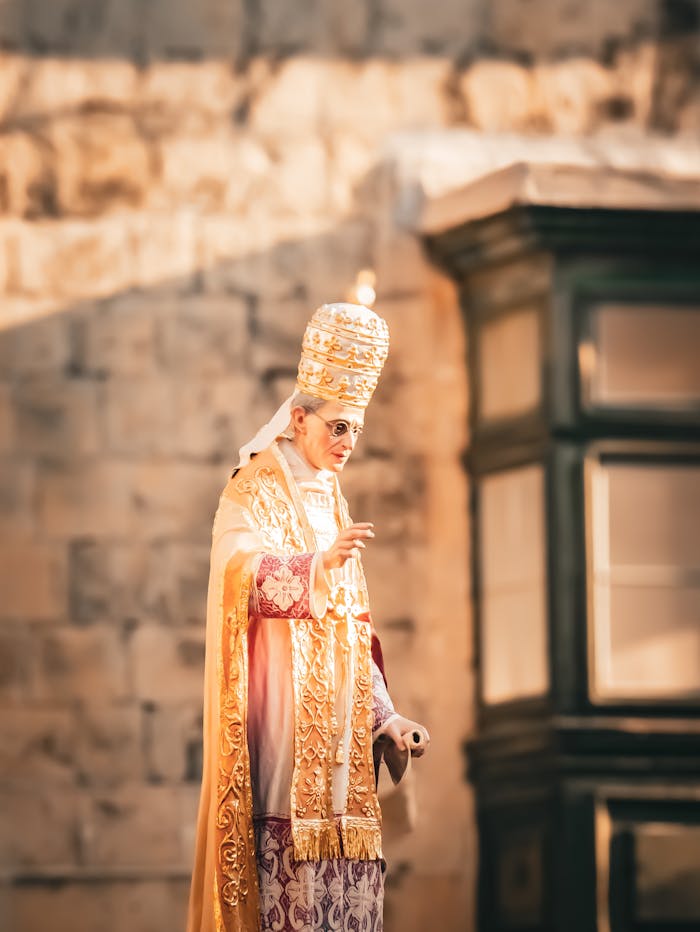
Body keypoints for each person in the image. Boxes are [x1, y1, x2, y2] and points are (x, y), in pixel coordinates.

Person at [187, 302, 429, 932]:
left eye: (357, 431)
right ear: (298, 418)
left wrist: (387, 717)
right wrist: (316, 568)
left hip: (344, 758)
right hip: (284, 744)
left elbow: (353, 634)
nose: (349, 444)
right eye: (339, 427)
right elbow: (239, 574)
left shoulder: (332, 498)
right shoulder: (255, 488)